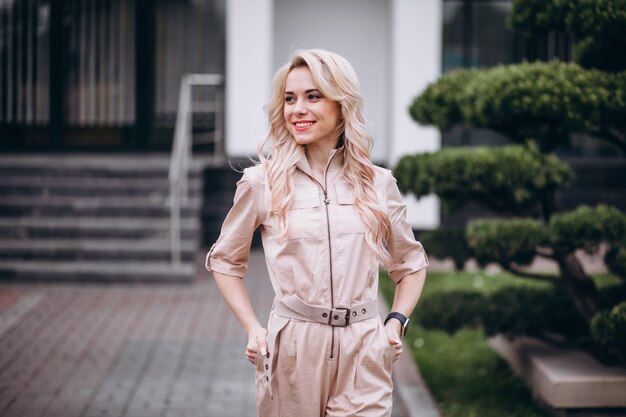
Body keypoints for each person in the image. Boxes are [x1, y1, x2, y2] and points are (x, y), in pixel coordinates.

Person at [206, 49, 428, 417]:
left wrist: (395, 322)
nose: (297, 109)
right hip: (294, 347)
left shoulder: (379, 183)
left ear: (342, 104)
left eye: (313, 96)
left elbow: (411, 263)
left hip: (364, 348)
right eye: (290, 99)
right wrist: (253, 328)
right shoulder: (263, 182)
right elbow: (225, 261)